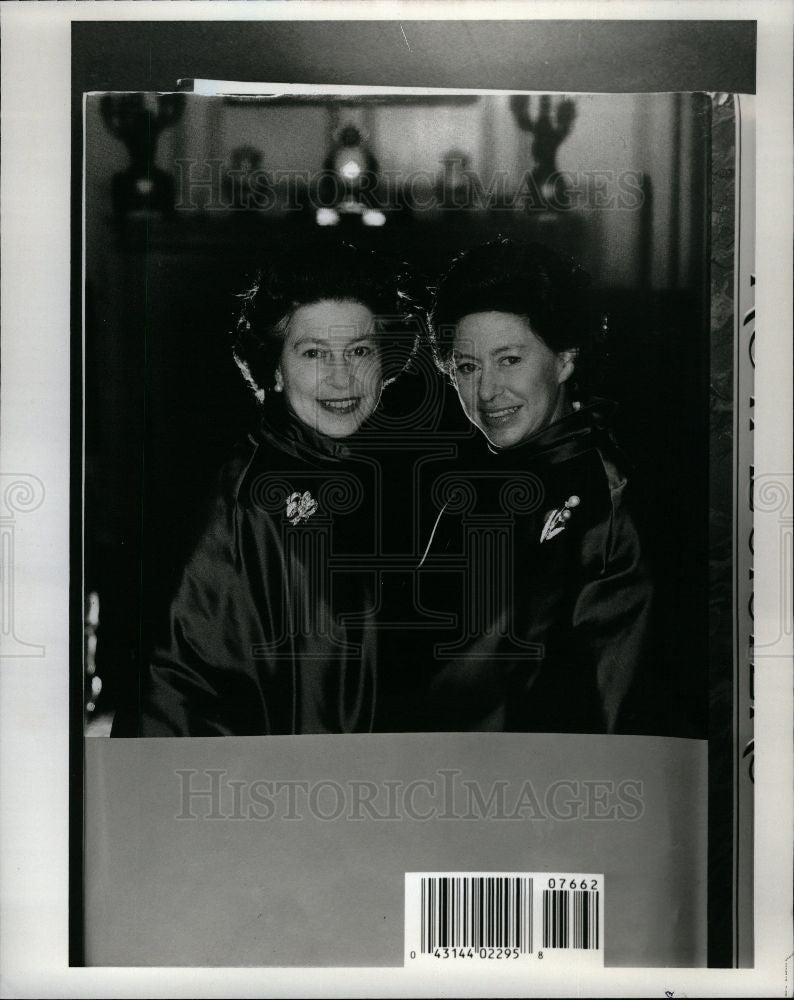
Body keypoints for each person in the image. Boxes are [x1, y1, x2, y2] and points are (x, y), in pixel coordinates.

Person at [112, 243, 420, 736]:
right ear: (274, 369)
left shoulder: (379, 483)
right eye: (314, 352)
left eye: (359, 351)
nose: (341, 377)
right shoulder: (246, 500)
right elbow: (173, 697)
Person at [410, 238, 656, 733]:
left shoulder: (606, 498)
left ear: (565, 359)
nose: (486, 392)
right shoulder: (471, 491)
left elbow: (613, 701)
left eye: (509, 360)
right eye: (466, 367)